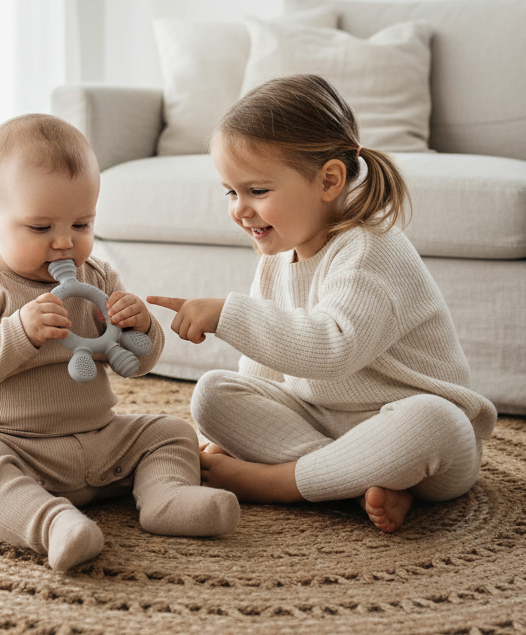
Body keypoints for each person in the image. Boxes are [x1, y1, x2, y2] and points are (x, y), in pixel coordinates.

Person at [147, 75, 497, 533]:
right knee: (213, 392)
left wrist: (226, 314)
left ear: (329, 180)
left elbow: (334, 348)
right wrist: (227, 440)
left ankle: (284, 483)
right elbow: (263, 369)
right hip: (324, 427)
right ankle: (352, 482)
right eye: (231, 192)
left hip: (412, 433)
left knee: (435, 420)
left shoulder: (371, 250)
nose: (239, 209)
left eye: (257, 191)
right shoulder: (276, 259)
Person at [0, 114, 239, 572]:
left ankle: (166, 499)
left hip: (99, 439)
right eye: (41, 228)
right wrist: (19, 332)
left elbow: (138, 364)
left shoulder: (97, 277)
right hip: (12, 444)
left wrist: (141, 329)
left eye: (82, 224)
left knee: (170, 431)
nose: (64, 243)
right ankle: (53, 524)